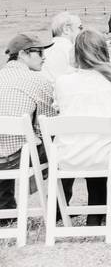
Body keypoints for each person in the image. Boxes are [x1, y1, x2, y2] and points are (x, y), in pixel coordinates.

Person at [53, 30, 111, 226]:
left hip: (72, 155)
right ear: (104, 52)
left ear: (76, 54)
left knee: (92, 143)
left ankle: (96, 209)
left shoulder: (63, 82)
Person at [0, 34, 56, 214]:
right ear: (23, 54)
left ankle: (5, 207)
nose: (44, 57)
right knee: (57, 140)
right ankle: (58, 207)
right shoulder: (38, 81)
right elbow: (48, 123)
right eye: (39, 52)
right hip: (20, 157)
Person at [42, 12, 82, 83]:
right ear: (66, 30)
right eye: (80, 28)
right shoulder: (71, 50)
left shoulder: (43, 50)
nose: (82, 32)